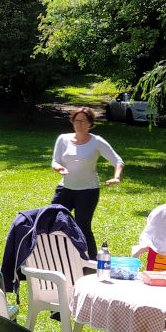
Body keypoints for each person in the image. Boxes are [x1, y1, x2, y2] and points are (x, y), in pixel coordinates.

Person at [50, 106, 123, 259]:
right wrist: (59, 168)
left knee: (83, 226)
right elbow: (55, 161)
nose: (80, 124)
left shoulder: (96, 142)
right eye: (77, 121)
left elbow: (117, 161)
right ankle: (58, 256)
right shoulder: (63, 139)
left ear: (90, 123)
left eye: (83, 121)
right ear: (72, 122)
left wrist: (116, 176)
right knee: (52, 219)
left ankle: (90, 261)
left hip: (88, 191)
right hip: (65, 189)